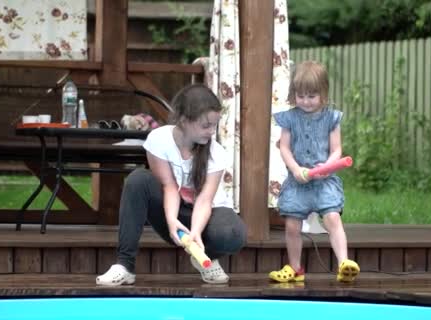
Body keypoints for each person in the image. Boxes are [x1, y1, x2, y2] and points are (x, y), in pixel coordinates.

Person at [97, 84, 247, 286]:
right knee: (138, 179)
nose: (212, 131)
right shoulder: (158, 140)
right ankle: (125, 266)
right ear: (184, 121)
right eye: (206, 125)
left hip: (206, 215)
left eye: (215, 125)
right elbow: (169, 186)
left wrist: (195, 232)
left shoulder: (216, 153)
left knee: (234, 234)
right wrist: (170, 221)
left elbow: (204, 200)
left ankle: (205, 258)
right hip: (174, 211)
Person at [269, 61, 360, 283]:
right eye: (301, 96)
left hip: (324, 181)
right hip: (298, 181)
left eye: (311, 96)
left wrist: (327, 167)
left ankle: (343, 264)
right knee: (292, 225)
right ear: (294, 94)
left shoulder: (332, 118)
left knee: (332, 218)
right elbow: (284, 146)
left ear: (323, 94)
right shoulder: (289, 118)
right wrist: (295, 168)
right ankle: (295, 268)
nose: (306, 101)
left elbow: (337, 149)